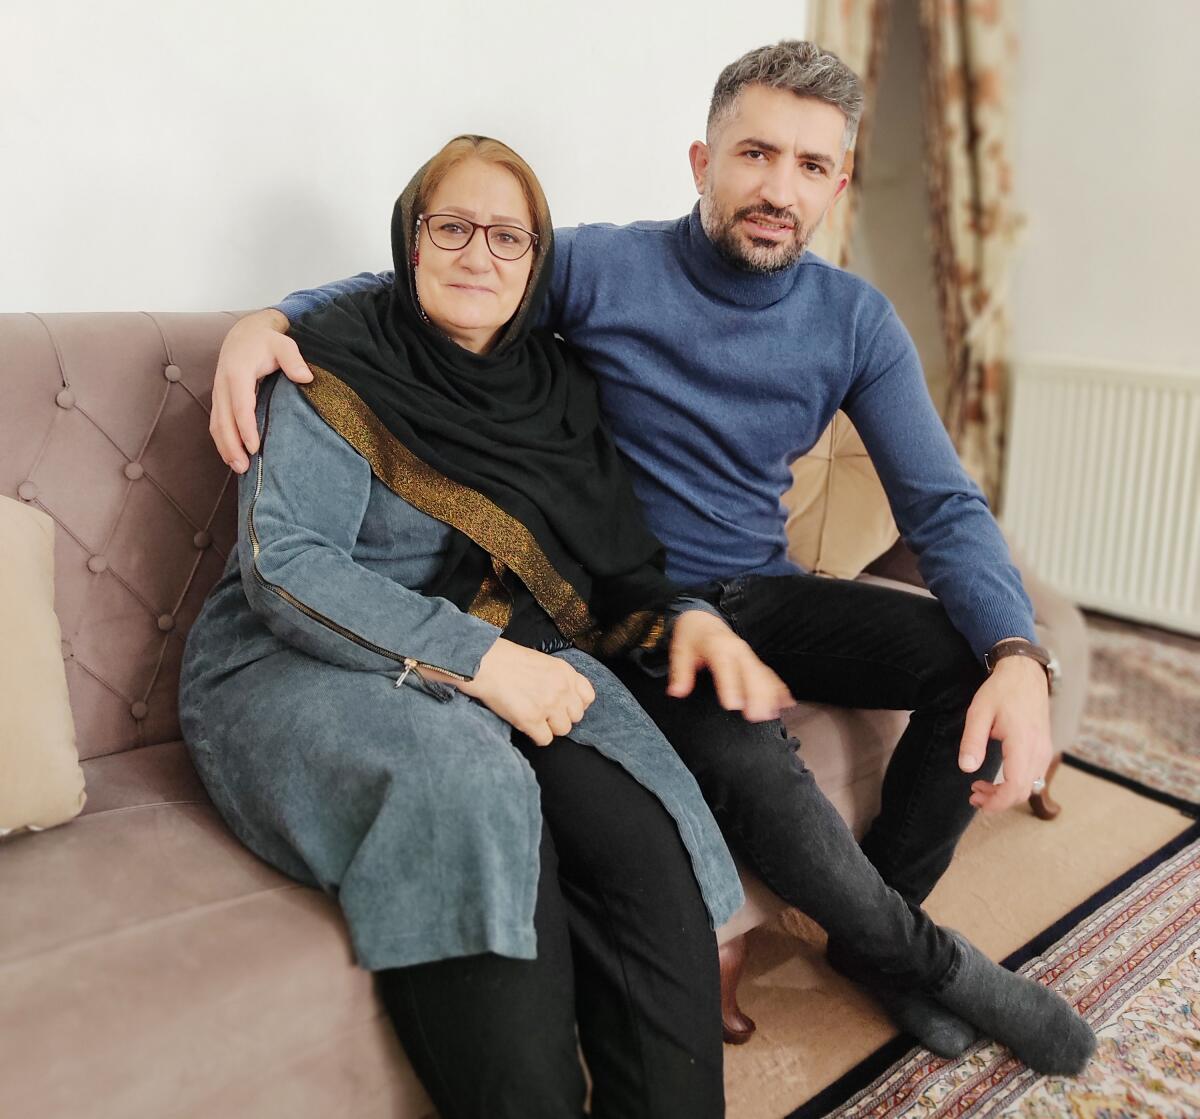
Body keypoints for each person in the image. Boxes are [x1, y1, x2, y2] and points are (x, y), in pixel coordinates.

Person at [203, 89, 1097, 1078]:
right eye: (754, 153)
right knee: (751, 766)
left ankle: (877, 943)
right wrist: (269, 320)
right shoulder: (596, 266)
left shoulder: (856, 320)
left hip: (747, 594)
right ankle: (928, 962)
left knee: (966, 661)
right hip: (629, 608)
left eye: (810, 165)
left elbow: (941, 505)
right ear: (701, 161)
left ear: (837, 185)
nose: (778, 186)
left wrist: (1018, 654)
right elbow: (435, 280)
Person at [181, 135, 765, 1119]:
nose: (476, 255)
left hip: (506, 646)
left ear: (538, 261)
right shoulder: (332, 361)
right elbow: (287, 568)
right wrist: (478, 661)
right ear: (412, 242)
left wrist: (687, 618)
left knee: (641, 827)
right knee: (471, 789)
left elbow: (617, 558)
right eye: (450, 227)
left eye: (509, 237)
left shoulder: (558, 387)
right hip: (300, 653)